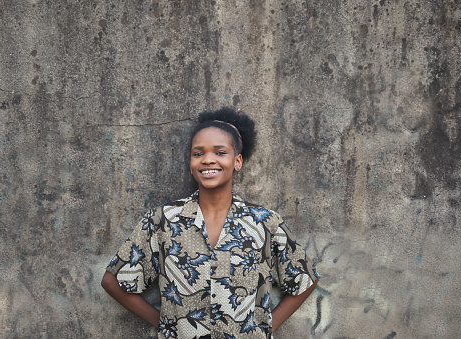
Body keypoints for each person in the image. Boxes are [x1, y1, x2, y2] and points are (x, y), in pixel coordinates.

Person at [101, 107, 319, 339]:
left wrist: (266, 327)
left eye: (220, 152)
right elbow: (112, 281)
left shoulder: (265, 222)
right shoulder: (163, 220)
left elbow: (305, 279)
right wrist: (166, 324)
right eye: (198, 153)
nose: (208, 159)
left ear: (237, 161)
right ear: (191, 161)